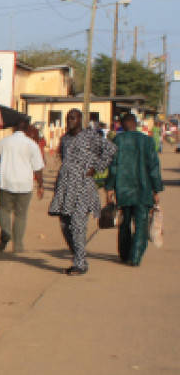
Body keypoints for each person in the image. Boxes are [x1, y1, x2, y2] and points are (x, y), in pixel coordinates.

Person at [48, 109, 117, 276]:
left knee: (78, 225)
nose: (69, 121)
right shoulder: (65, 139)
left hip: (82, 187)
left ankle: (80, 264)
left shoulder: (90, 136)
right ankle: (79, 256)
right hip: (65, 187)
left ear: (80, 119)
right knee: (65, 225)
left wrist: (97, 168)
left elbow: (111, 149)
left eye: (72, 118)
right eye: (67, 118)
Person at [105, 113, 163, 267]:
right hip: (143, 190)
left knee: (124, 223)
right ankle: (135, 256)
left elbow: (114, 167)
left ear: (122, 126)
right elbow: (153, 168)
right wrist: (156, 189)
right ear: (136, 124)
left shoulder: (117, 141)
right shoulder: (148, 141)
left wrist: (110, 188)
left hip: (123, 190)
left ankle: (124, 254)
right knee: (141, 224)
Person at [0, 119, 45, 254]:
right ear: (26, 130)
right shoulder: (32, 145)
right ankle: (18, 246)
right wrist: (40, 185)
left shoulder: (4, 142)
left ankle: (6, 231)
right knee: (21, 215)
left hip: (7, 182)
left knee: (3, 209)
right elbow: (38, 168)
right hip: (25, 184)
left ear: (13, 129)